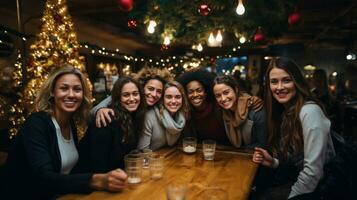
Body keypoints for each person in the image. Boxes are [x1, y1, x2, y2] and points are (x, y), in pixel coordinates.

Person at [2, 65, 128, 199]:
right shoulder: (36, 124)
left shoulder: (69, 124)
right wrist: (97, 180)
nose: (71, 94)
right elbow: (44, 177)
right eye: (64, 88)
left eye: (77, 89)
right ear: (52, 92)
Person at [252, 57, 336, 199]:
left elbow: (313, 172)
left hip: (320, 190)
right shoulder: (287, 112)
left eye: (286, 80)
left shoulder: (310, 112)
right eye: (274, 82)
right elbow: (297, 161)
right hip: (299, 181)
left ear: (296, 82)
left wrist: (293, 197)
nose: (279, 87)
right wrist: (273, 162)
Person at [78, 76, 146, 173]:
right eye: (126, 95)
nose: (132, 99)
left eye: (135, 94)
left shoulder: (134, 117)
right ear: (118, 98)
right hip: (91, 181)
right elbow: (97, 165)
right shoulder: (107, 119)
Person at [91, 67, 172, 128]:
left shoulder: (159, 105)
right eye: (150, 89)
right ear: (141, 87)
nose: (154, 94)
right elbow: (97, 108)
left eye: (159, 91)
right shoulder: (130, 98)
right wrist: (100, 109)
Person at [177, 69, 230, 145]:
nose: (195, 94)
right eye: (190, 92)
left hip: (226, 151)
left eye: (199, 90)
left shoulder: (219, 107)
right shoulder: (187, 113)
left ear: (206, 92)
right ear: (186, 95)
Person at [213, 75, 266, 149]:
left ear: (236, 90)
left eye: (226, 93)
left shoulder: (255, 110)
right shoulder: (222, 113)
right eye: (218, 96)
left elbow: (262, 144)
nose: (223, 99)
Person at [137, 81, 190, 150]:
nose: (173, 101)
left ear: (182, 99)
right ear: (162, 99)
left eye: (178, 97)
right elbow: (142, 151)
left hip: (169, 157)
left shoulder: (182, 116)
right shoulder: (150, 116)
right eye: (169, 97)